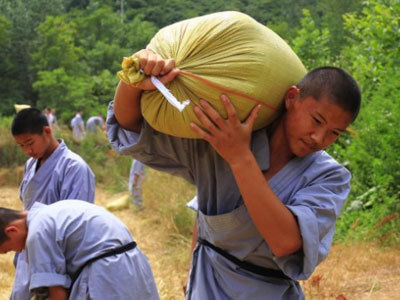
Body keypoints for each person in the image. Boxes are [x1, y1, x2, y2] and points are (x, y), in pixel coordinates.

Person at [106, 50, 361, 300]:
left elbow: (285, 241)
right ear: (292, 98)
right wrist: (136, 76)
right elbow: (130, 125)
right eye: (316, 120)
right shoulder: (222, 140)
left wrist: (240, 158)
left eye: (334, 133)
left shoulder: (329, 176)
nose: (320, 138)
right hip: (206, 285)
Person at [10, 108, 96, 300]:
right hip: (28, 252)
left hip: (57, 258)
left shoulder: (74, 167)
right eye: (21, 146)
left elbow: (76, 225)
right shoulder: (30, 164)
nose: (27, 150)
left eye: (30, 143)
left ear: (47, 131)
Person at [0, 200, 160, 300]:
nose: (19, 251)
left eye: (8, 250)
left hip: (108, 276)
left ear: (12, 230)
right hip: (134, 266)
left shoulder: (37, 232)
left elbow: (57, 295)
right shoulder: (56, 211)